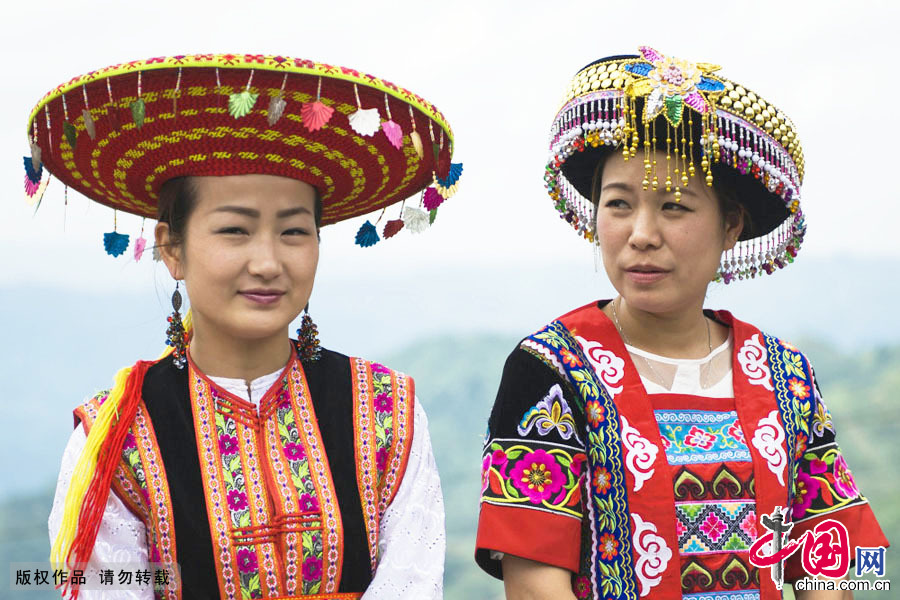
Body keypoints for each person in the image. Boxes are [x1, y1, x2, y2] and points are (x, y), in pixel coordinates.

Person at [31, 53, 463, 599]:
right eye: (235, 230)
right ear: (172, 248)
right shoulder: (116, 438)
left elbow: (412, 586)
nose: (267, 262)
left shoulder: (386, 412)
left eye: (293, 232)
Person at [474, 46, 889, 600]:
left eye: (674, 208)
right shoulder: (550, 372)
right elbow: (533, 583)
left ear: (731, 226)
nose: (641, 233)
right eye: (619, 204)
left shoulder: (786, 376)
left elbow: (829, 563)